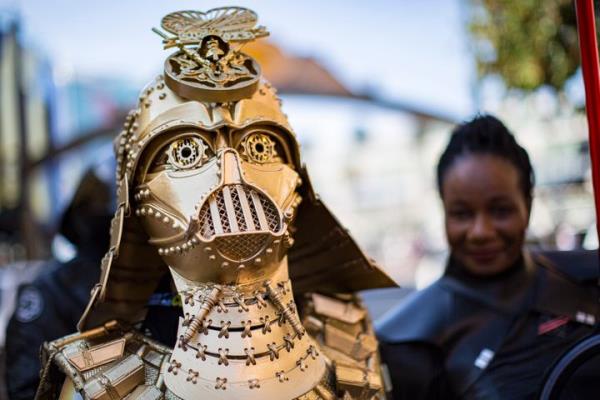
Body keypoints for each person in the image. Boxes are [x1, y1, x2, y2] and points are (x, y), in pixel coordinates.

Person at [35, 7, 395, 400]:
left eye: (258, 146)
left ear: (299, 178)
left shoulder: (348, 342)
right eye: (187, 152)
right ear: (134, 199)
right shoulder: (98, 380)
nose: (232, 177)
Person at [376, 115, 600, 400]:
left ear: (527, 206)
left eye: (500, 210)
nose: (480, 232)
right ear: (443, 211)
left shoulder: (587, 276)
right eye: (462, 214)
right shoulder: (407, 341)